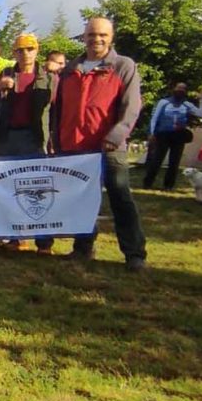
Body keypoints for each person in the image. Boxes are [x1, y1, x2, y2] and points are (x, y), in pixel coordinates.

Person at [50, 17, 147, 271]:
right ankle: (82, 248)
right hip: (74, 147)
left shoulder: (123, 66)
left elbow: (132, 107)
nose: (97, 39)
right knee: (81, 200)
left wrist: (116, 135)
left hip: (109, 148)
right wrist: (58, 140)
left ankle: (134, 254)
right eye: (92, 34)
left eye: (103, 35)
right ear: (84, 37)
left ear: (111, 37)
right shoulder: (71, 69)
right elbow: (58, 110)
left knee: (120, 199)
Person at [0, 34, 58, 253]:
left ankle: (44, 243)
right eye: (20, 50)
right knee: (11, 188)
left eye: (30, 49)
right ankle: (16, 237)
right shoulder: (6, 73)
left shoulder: (48, 76)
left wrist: (54, 138)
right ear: (14, 53)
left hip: (35, 137)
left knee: (40, 187)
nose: (25, 53)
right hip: (7, 136)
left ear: (37, 50)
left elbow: (58, 109)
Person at [144, 82, 202, 190]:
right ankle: (147, 183)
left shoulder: (187, 104)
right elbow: (154, 117)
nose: (181, 90)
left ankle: (168, 185)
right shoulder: (163, 102)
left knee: (175, 161)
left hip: (179, 135)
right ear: (174, 89)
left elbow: (201, 113)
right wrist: (151, 133)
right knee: (157, 159)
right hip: (163, 134)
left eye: (183, 88)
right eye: (179, 88)